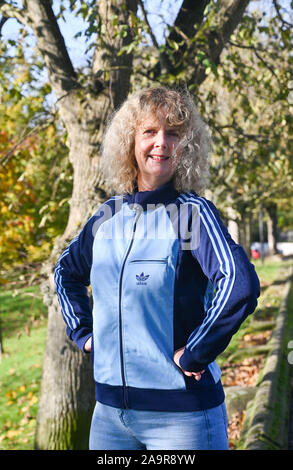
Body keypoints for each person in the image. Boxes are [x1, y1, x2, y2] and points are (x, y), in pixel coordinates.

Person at [54, 86, 260, 450]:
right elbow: (65, 273)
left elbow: (239, 284)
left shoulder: (192, 214)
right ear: (130, 141)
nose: (161, 142)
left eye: (173, 133)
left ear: (186, 146)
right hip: (109, 417)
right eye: (149, 131)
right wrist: (84, 335)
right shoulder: (106, 216)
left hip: (181, 419)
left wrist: (197, 350)